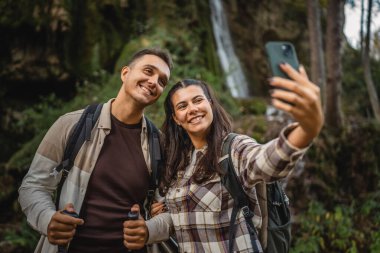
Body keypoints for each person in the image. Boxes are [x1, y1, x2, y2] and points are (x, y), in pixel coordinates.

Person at [124, 62, 324, 252]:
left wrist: (307, 129)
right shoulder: (178, 164)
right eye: (182, 106)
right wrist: (147, 230)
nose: (192, 109)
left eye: (198, 100)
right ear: (176, 119)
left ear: (210, 104)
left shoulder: (233, 148)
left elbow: (266, 162)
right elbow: (178, 220)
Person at [18, 48, 173, 253]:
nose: (154, 81)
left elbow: (174, 210)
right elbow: (33, 185)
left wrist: (149, 230)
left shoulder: (160, 145)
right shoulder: (71, 125)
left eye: (162, 81)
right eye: (148, 71)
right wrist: (47, 219)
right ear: (125, 73)